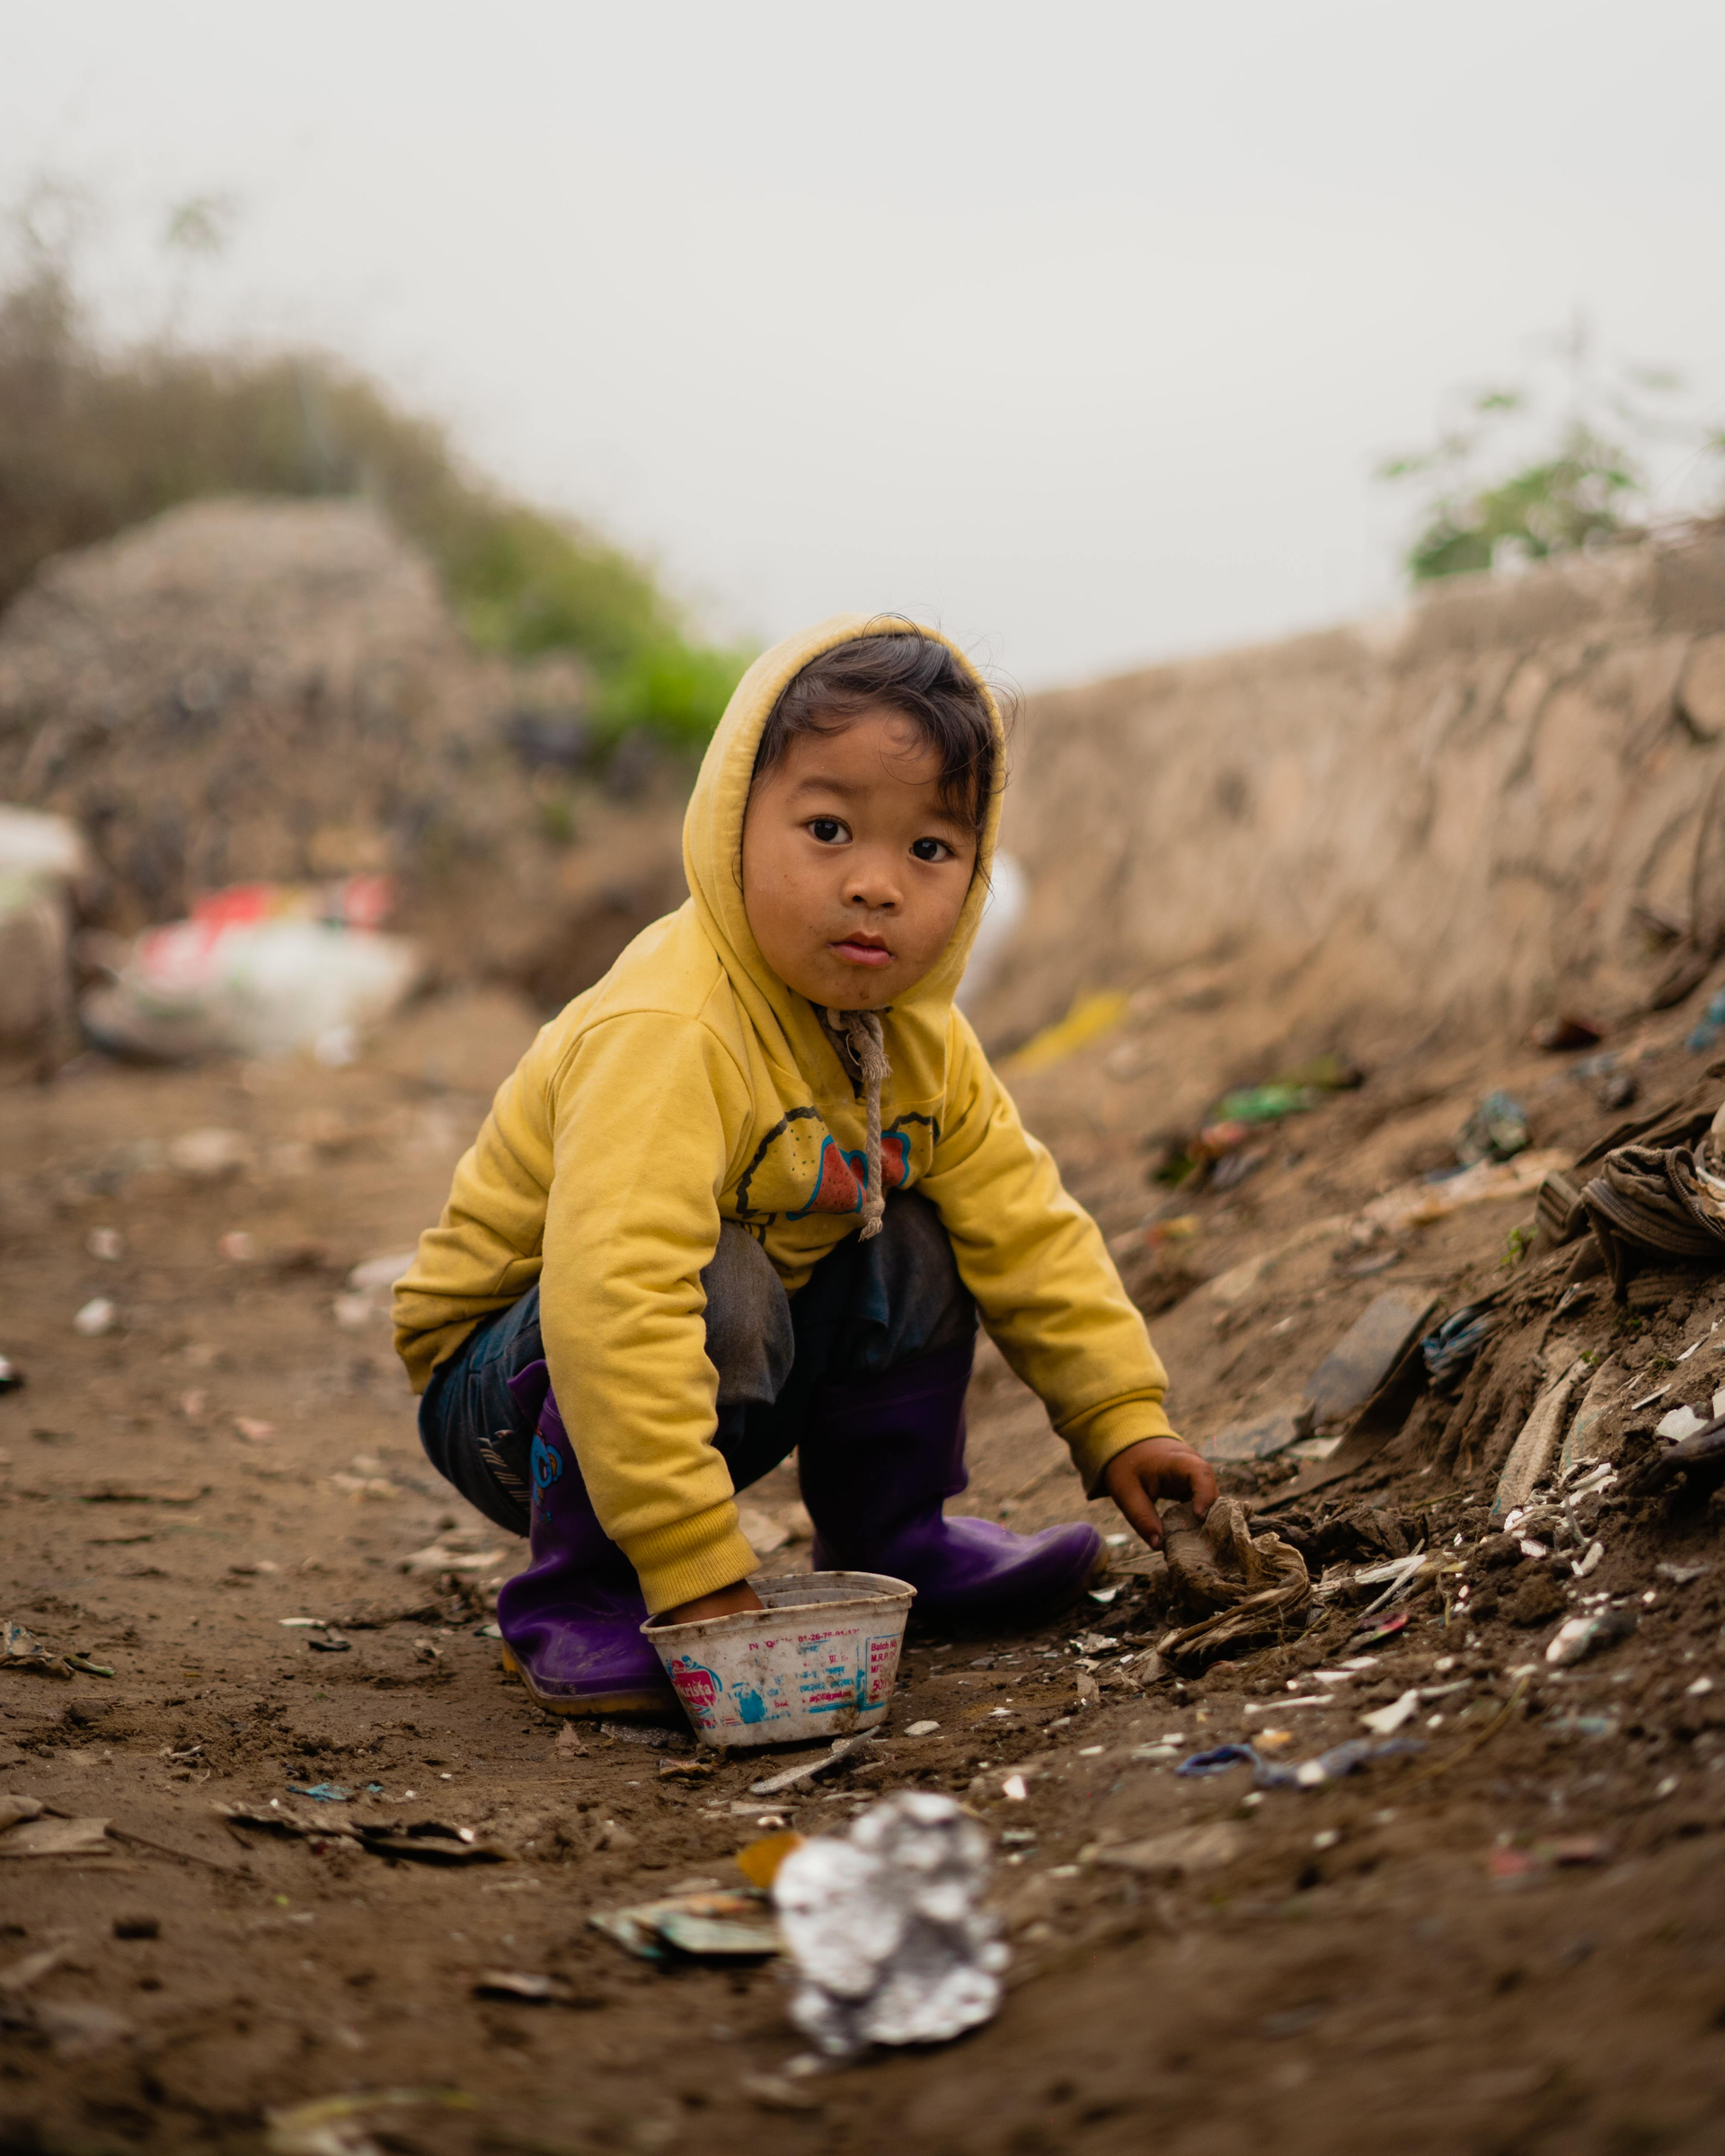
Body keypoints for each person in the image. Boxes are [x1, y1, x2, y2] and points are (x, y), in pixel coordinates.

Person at [394, 615, 1216, 1716]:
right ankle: (582, 1594)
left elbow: (1029, 1227)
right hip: (513, 1396)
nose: (878, 884)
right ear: (732, 823)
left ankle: (893, 1539)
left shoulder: (922, 1040)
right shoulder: (672, 1026)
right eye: (828, 829)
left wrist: (1124, 1418)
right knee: (714, 1272)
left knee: (926, 1233)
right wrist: (696, 1569)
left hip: (720, 1372)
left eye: (930, 849)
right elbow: (611, 1298)